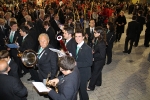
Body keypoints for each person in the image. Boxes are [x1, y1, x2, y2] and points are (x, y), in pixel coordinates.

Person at [75, 29, 93, 100]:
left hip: (84, 74)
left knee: (83, 91)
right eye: (76, 36)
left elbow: (89, 63)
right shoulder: (77, 46)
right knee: (80, 90)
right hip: (78, 72)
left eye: (79, 36)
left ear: (83, 37)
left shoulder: (87, 48)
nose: (77, 38)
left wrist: (76, 63)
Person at [87, 26, 106, 91]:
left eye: (95, 32)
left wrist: (94, 58)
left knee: (94, 74)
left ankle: (91, 87)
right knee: (98, 72)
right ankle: (98, 83)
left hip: (99, 61)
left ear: (99, 33)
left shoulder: (101, 43)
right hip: (97, 60)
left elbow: (102, 55)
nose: (93, 33)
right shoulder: (97, 39)